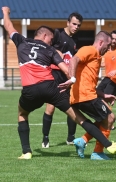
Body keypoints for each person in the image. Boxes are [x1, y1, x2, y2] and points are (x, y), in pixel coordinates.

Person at [2, 6, 116, 160]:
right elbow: (65, 68)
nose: (52, 41)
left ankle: (26, 151)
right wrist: (72, 80)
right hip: (51, 88)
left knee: (22, 113)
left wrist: (5, 13)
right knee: (79, 118)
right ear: (45, 35)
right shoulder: (50, 50)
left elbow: (8, 26)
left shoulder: (22, 41)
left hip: (30, 89)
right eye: (51, 39)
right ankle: (108, 145)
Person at [59, 31, 116, 160]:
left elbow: (89, 82)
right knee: (110, 118)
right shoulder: (89, 50)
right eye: (107, 46)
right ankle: (97, 153)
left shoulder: (96, 56)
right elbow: (74, 59)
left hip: (88, 94)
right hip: (85, 96)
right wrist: (72, 78)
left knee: (106, 118)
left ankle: (83, 141)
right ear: (101, 42)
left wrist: (104, 95)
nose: (107, 49)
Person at [42, 12, 83, 148]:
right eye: (74, 23)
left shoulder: (74, 41)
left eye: (78, 25)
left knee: (72, 106)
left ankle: (70, 137)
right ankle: (45, 138)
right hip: (54, 74)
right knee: (50, 107)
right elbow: (49, 48)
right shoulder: (58, 34)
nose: (76, 27)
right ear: (68, 22)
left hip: (67, 77)